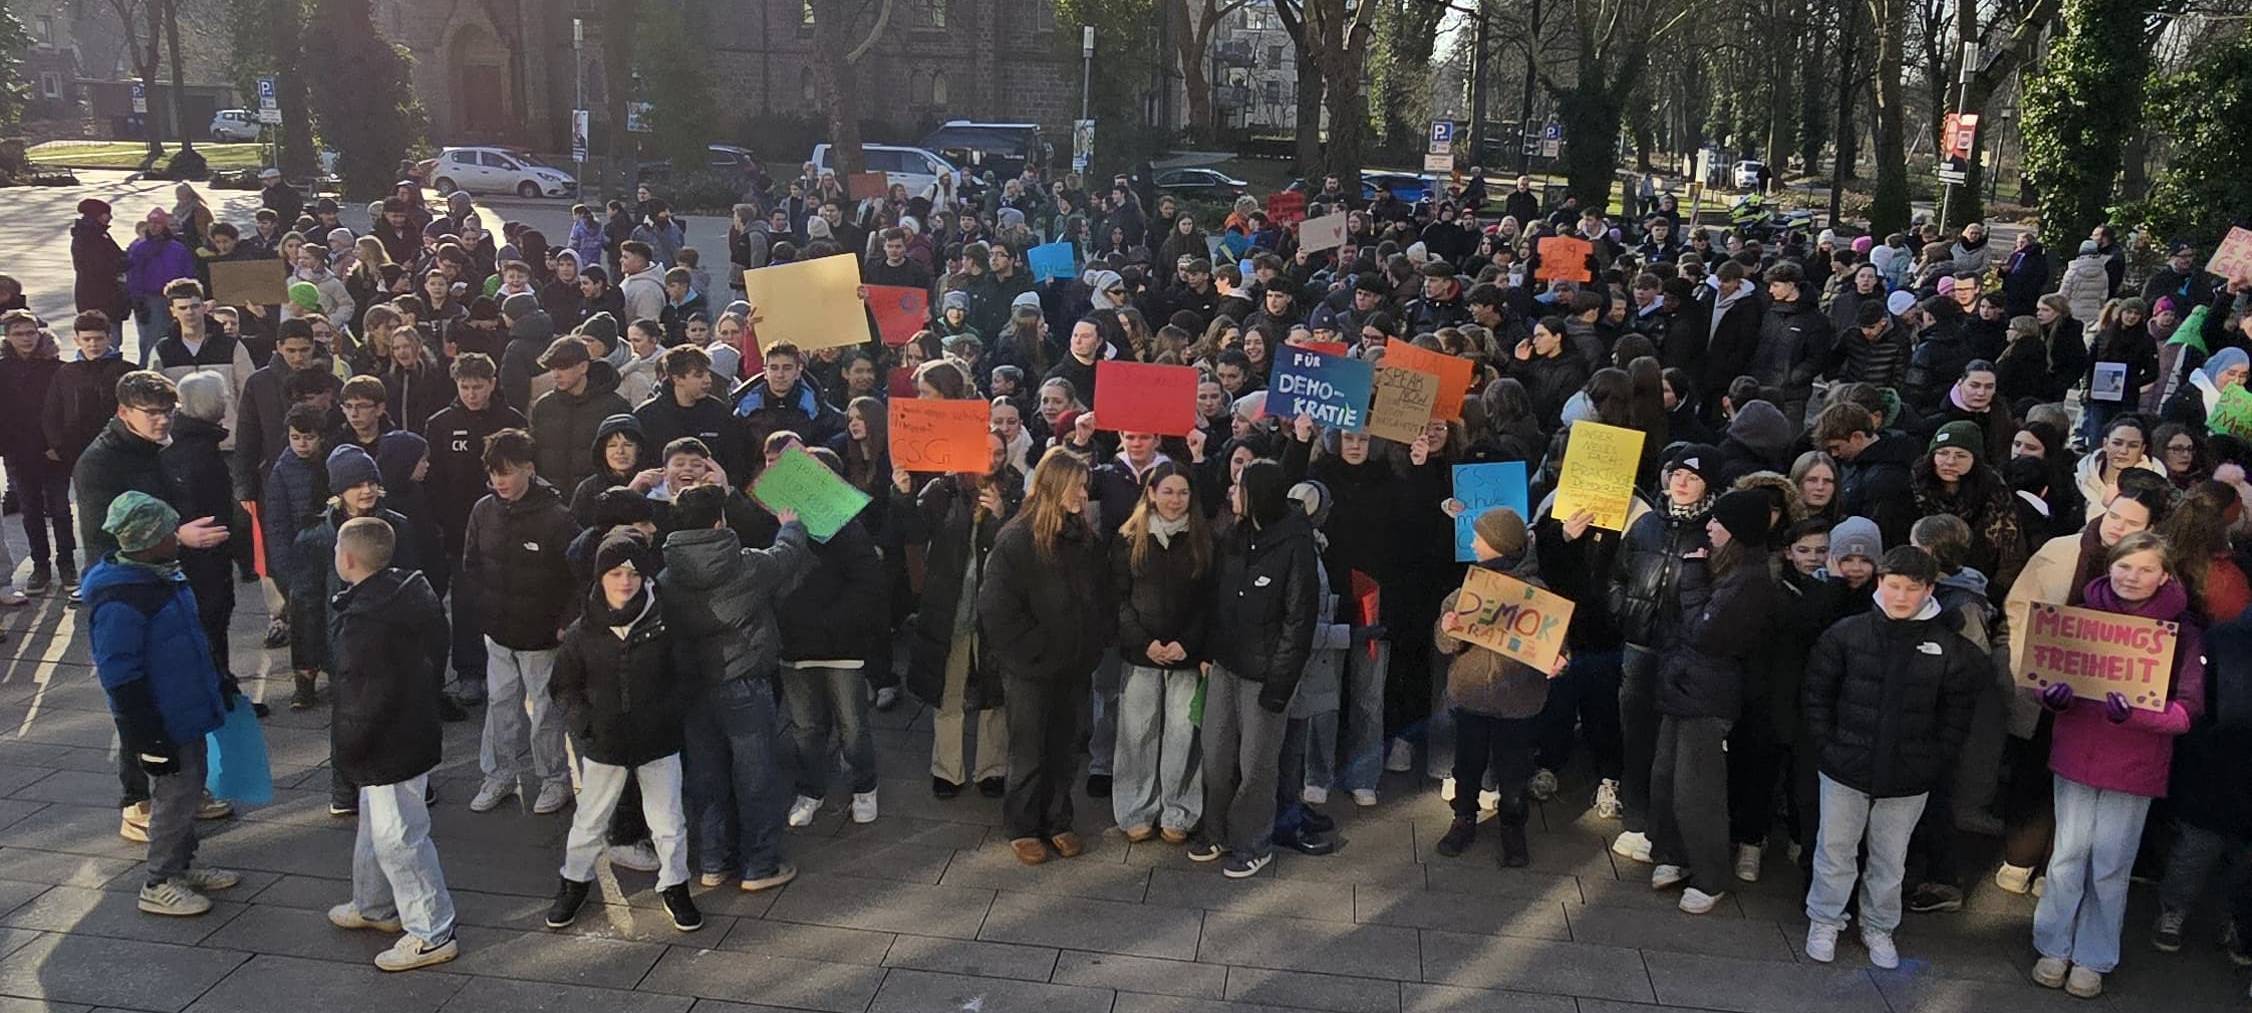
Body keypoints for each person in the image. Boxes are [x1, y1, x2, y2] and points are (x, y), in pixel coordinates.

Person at [2030, 532, 2204, 998]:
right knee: (2066, 857)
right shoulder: (2078, 617)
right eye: (2125, 566)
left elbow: (2187, 712)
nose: (2133, 577)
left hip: (2134, 765)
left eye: (2146, 569)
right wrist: (2051, 697)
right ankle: (2052, 945)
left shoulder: (2183, 633)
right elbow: (2040, 676)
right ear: (2110, 567)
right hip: (2076, 754)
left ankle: (2094, 955)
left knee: (2110, 865)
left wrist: (2139, 714)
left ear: (2164, 576)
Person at [1801, 545, 1984, 968]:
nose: (1901, 596)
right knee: (1835, 849)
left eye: (1912, 588)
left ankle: (1879, 925)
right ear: (1880, 583)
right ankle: (1825, 919)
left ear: (1929, 590)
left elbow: (1956, 717)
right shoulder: (1847, 634)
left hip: (1908, 776)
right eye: (1893, 585)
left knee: (1890, 859)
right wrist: (1829, 747)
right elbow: (1817, 695)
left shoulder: (1950, 649)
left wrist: (1931, 762)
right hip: (1845, 766)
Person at [84, 490, 242, 918]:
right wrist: (146, 734)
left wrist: (218, 680)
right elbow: (121, 674)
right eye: (169, 532)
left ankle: (181, 867)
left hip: (186, 707)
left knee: (189, 791)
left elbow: (190, 637)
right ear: (148, 541)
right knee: (174, 797)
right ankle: (159, 881)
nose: (177, 537)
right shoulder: (124, 597)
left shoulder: (160, 576)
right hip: (163, 718)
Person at [322, 516, 461, 971]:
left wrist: (347, 748)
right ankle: (375, 904)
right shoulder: (407, 595)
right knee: (377, 824)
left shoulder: (366, 621)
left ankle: (432, 931)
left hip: (387, 740)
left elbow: (363, 695)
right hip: (410, 729)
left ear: (347, 559)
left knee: (399, 837)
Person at [546, 529, 702, 933]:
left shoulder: (666, 623)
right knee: (590, 820)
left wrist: (668, 716)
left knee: (668, 822)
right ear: (600, 578)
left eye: (633, 573)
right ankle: (574, 883)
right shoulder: (582, 631)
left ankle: (675, 884)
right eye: (615, 573)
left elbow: (687, 677)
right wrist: (585, 723)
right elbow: (564, 686)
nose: (625, 582)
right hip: (606, 743)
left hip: (658, 740)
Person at [660, 483, 810, 892]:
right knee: (756, 777)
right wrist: (790, 525)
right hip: (744, 682)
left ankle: (713, 861)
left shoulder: (667, 576)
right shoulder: (745, 565)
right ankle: (760, 865)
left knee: (706, 777)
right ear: (718, 523)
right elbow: (786, 556)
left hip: (694, 688)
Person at [979, 448, 1111, 865]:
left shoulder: (1086, 541)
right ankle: (1022, 825)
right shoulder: (1016, 541)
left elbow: (1103, 600)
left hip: (1075, 666)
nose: (1084, 494)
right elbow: (997, 611)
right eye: (1078, 486)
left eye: (1086, 486)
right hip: (1030, 669)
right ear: (1055, 487)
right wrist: (1037, 651)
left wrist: (1091, 645)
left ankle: (1057, 819)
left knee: (1065, 747)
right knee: (1029, 750)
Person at [1650, 488, 1776, 914]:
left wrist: (1692, 576)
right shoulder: (1727, 567)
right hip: (1685, 685)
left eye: (1718, 521)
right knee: (1667, 777)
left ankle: (1709, 876)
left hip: (1708, 694)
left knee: (1696, 790)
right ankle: (1674, 854)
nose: (1709, 526)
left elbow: (1706, 632)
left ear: (1737, 530)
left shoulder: (1750, 580)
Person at [1194, 458, 1320, 878]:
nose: (1233, 493)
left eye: (1240, 487)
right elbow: (1217, 598)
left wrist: (1280, 683)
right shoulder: (1234, 536)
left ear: (1258, 495)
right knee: (1215, 755)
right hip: (1225, 665)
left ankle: (1252, 843)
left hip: (1265, 675)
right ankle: (1215, 831)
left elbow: (1299, 620)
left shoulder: (1295, 544)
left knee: (1256, 766)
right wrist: (1209, 651)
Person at [1432, 507, 1561, 867]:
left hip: (1517, 702)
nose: (1473, 543)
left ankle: (1512, 825)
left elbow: (1557, 641)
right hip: (1472, 697)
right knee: (1467, 765)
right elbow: (1443, 642)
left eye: (1480, 538)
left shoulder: (1537, 593)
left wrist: (1559, 660)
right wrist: (1448, 628)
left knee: (1513, 770)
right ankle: (1464, 817)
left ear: (1499, 544)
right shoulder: (1468, 590)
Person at [895, 434, 1022, 799]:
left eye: (999, 453)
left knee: (994, 692)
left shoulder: (1015, 490)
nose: (992, 459)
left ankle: (991, 769)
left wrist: (1001, 515)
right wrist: (902, 495)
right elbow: (913, 532)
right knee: (948, 691)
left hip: (994, 609)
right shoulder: (944, 489)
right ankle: (947, 770)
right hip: (949, 606)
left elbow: (1022, 546)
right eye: (985, 452)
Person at [461, 429, 580, 814]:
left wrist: (564, 621)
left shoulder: (558, 518)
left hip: (542, 636)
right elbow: (471, 564)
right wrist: (483, 609)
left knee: (545, 709)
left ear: (529, 469)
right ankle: (498, 775)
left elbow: (579, 575)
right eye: (494, 473)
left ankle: (554, 778)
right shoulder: (482, 511)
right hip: (498, 632)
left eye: (508, 472)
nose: (500, 481)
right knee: (500, 705)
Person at [1607, 444, 1716, 861]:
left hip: (1683, 654)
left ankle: (1663, 827)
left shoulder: (1712, 532)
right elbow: (1617, 575)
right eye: (1677, 474)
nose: (1682, 483)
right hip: (1639, 646)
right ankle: (1635, 820)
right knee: (1635, 738)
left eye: (1693, 477)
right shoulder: (1646, 525)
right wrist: (1622, 611)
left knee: (1671, 748)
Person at [777, 449, 886, 827]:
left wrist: (831, 623)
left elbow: (868, 583)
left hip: (841, 646)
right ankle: (810, 791)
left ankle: (864, 787)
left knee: (852, 726)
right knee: (805, 728)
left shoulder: (849, 528)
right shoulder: (781, 522)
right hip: (794, 646)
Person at [1108, 459, 1213, 844]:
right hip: (1142, 653)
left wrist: (1188, 643)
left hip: (1186, 654)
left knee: (1183, 735)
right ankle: (1136, 808)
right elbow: (1118, 598)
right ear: (1151, 493)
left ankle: (1179, 810)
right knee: (1138, 733)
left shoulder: (1203, 540)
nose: (1175, 500)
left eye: (1183, 492)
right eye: (1167, 491)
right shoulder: (1128, 538)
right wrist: (1143, 642)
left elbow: (1208, 601)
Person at [0, 309, 72, 594]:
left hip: (53, 451)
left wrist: (59, 445)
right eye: (18, 334)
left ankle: (67, 562)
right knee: (30, 510)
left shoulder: (56, 368)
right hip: (19, 452)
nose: (26, 339)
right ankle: (40, 564)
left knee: (60, 509)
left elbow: (67, 411)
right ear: (8, 337)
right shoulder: (3, 369)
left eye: (30, 333)